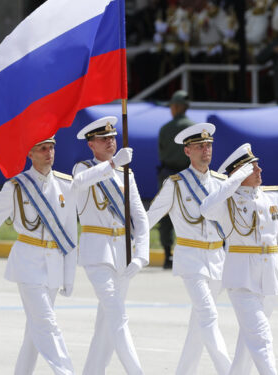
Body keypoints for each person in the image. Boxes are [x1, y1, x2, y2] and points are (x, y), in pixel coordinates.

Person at [0, 136, 79, 374]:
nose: (48, 152)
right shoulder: (15, 187)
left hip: (54, 267)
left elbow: (71, 235)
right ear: (29, 154)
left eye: (51, 147)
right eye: (42, 148)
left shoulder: (66, 185)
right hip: (28, 264)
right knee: (47, 325)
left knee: (33, 335)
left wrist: (69, 275)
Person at [200, 144, 278, 375]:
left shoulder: (273, 195)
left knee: (247, 345)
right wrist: (234, 179)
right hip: (241, 282)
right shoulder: (226, 203)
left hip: (269, 279)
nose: (260, 170)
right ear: (239, 174)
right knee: (261, 338)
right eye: (253, 168)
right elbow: (205, 208)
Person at [146, 123, 232, 375]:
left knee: (199, 325)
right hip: (191, 260)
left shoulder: (221, 182)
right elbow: (150, 217)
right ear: (187, 152)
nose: (206, 150)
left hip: (217, 258)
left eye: (208, 146)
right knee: (208, 316)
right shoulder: (176, 184)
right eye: (199, 146)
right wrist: (127, 239)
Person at [71, 116, 149, 375]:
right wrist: (113, 164)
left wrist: (141, 255)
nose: (110, 142)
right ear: (91, 145)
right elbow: (80, 184)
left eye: (112, 138)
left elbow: (140, 217)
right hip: (97, 254)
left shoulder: (126, 174)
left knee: (105, 324)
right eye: (103, 139)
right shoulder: (82, 169)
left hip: (123, 254)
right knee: (118, 317)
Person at [157, 90, 194, 269]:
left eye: (172, 106)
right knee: (193, 213)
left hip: (169, 174)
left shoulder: (165, 129)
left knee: (165, 214)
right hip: (189, 174)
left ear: (178, 106)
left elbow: (162, 152)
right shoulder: (194, 128)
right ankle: (191, 254)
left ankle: (167, 256)